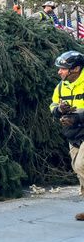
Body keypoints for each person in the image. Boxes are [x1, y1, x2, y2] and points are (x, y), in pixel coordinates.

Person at [50, 51, 84, 195]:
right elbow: (52, 105)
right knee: (78, 170)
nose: (59, 72)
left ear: (75, 69)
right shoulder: (60, 86)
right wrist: (59, 109)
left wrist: (76, 117)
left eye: (63, 68)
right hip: (73, 134)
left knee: (81, 165)